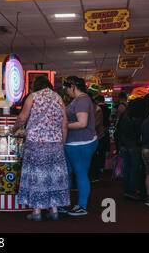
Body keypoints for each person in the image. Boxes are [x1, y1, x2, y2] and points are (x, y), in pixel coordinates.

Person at [11, 76, 69, 222]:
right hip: (55, 143)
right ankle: (54, 210)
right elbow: (64, 123)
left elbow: (22, 118)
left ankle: (36, 212)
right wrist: (62, 142)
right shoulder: (58, 98)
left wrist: (13, 129)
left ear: (35, 86)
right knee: (53, 176)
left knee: (36, 176)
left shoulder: (33, 97)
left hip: (36, 143)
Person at [62, 76, 98, 216]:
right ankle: (66, 202)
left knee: (80, 173)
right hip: (75, 143)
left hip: (82, 143)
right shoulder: (78, 100)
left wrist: (63, 126)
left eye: (67, 88)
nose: (66, 91)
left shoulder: (83, 100)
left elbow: (82, 123)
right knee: (69, 173)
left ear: (72, 86)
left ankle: (82, 206)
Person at [116, 98, 146, 200]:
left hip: (124, 145)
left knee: (127, 168)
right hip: (135, 146)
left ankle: (127, 190)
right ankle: (133, 190)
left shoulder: (124, 115)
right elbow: (140, 134)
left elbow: (118, 130)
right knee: (134, 169)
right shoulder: (139, 117)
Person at [88, 92, 105, 182]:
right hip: (90, 136)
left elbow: (96, 124)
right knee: (91, 157)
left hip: (97, 136)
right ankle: (92, 175)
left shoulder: (97, 109)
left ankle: (94, 175)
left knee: (94, 157)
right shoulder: (88, 108)